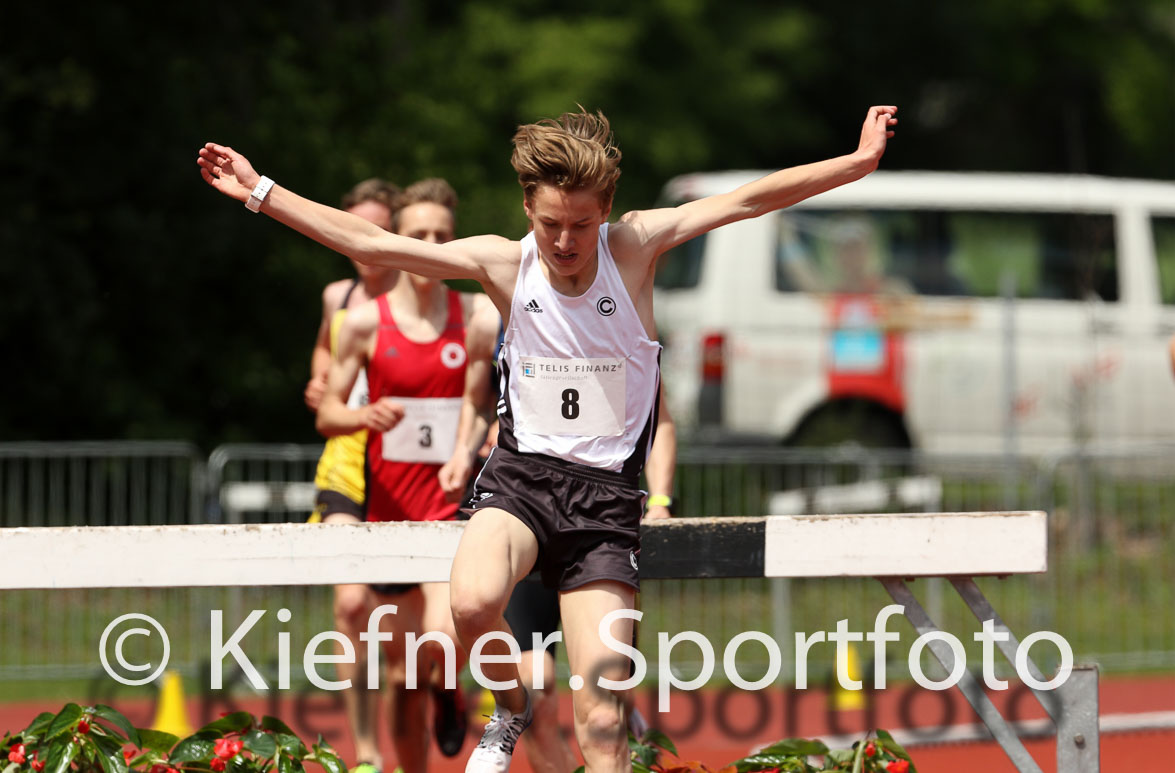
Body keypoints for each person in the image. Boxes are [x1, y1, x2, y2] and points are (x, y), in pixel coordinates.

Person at [198, 103, 897, 772]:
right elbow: (372, 242)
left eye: (582, 226)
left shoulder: (635, 246)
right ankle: (512, 703)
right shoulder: (504, 262)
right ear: (527, 210)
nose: (565, 244)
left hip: (604, 506)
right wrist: (259, 189)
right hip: (522, 482)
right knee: (471, 601)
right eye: (551, 225)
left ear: (606, 211)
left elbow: (748, 200)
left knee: (600, 720)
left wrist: (856, 162)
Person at [316, 178, 489, 772]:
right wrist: (363, 414)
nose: (431, 245)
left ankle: (449, 688)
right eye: (418, 235)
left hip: (451, 510)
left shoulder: (477, 317)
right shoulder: (363, 324)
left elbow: (483, 403)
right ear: (398, 240)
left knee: (441, 639)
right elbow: (327, 413)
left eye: (442, 234)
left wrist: (467, 448)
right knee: (402, 670)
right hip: (389, 510)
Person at [304, 178, 402, 773]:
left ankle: (417, 714)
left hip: (404, 474)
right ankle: (365, 750)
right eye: (355, 228)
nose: (365, 243)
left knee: (403, 631)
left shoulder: (416, 295)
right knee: (351, 605)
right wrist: (319, 383)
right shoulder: (337, 296)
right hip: (344, 466)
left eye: (379, 229)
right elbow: (324, 353)